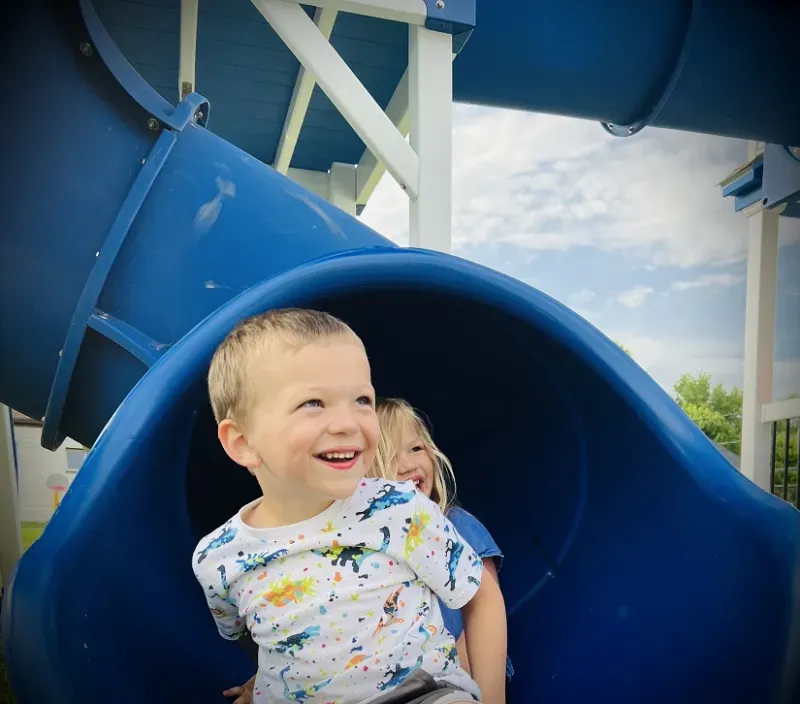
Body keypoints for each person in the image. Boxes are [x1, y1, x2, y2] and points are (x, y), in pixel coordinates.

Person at [192, 308, 485, 704]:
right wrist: (265, 679)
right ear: (243, 443)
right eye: (313, 402)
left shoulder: (398, 509)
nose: (348, 422)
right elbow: (254, 633)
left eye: (362, 399)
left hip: (420, 694)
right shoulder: (219, 559)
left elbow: (478, 595)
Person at [373, 398, 510, 704]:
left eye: (416, 448)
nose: (408, 465)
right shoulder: (370, 550)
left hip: (461, 679)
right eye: (388, 456)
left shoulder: (454, 525)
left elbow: (481, 612)